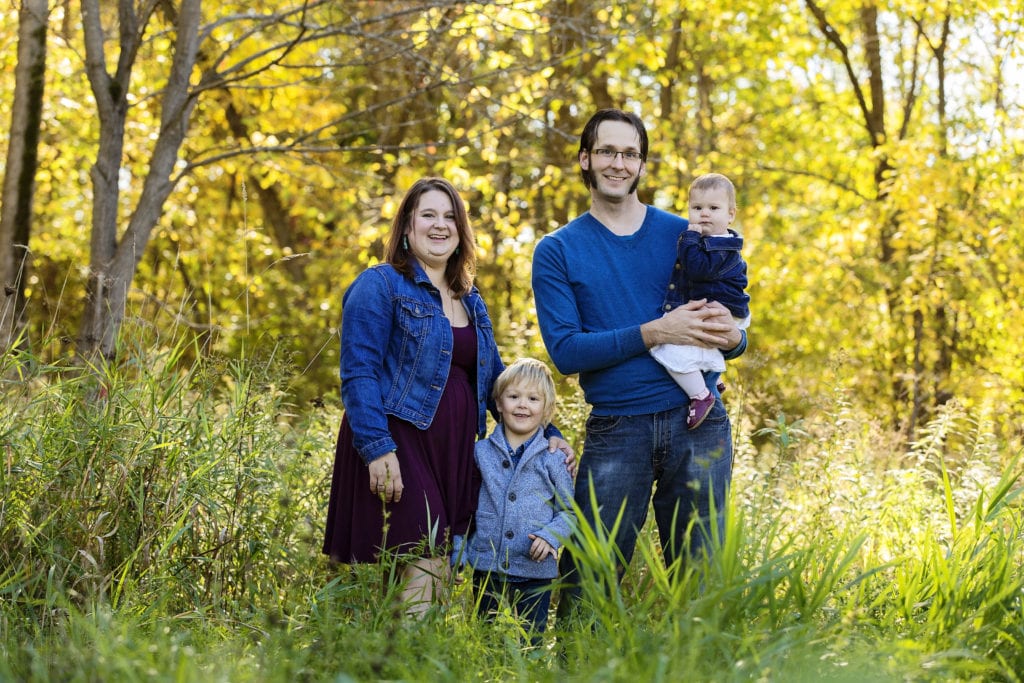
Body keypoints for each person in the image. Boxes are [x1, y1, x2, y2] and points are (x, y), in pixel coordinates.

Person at [530, 109, 747, 620]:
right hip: (617, 428)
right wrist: (654, 333)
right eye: (607, 151)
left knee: (701, 582)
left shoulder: (686, 233)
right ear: (586, 159)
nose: (618, 163)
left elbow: (730, 318)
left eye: (630, 153)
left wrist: (735, 337)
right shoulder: (557, 250)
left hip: (698, 424)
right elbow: (566, 351)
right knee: (589, 578)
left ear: (642, 164)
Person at [322, 177, 573, 616]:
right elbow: (358, 372)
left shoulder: (470, 299)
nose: (440, 226)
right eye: (428, 215)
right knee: (428, 557)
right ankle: (411, 661)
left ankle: (394, 659)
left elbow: (497, 380)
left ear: (461, 231)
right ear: (406, 228)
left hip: (453, 452)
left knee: (433, 569)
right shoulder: (380, 285)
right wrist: (377, 449)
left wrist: (548, 433)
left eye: (450, 217)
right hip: (399, 442)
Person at [454, 358, 576, 642]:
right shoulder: (480, 452)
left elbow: (570, 511)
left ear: (546, 409)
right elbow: (465, 508)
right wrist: (458, 551)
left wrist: (551, 537)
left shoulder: (554, 458)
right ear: (498, 403)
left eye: (533, 399)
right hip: (487, 567)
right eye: (514, 396)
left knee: (530, 643)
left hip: (535, 571)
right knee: (485, 639)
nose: (523, 405)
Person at [650, 172, 751, 430]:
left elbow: (695, 269)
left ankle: (700, 395)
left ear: (730, 215)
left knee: (663, 346)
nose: (704, 214)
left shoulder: (717, 247)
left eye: (713, 208)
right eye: (697, 208)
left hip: (724, 310)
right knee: (689, 339)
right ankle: (709, 376)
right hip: (725, 306)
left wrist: (689, 239)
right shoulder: (721, 242)